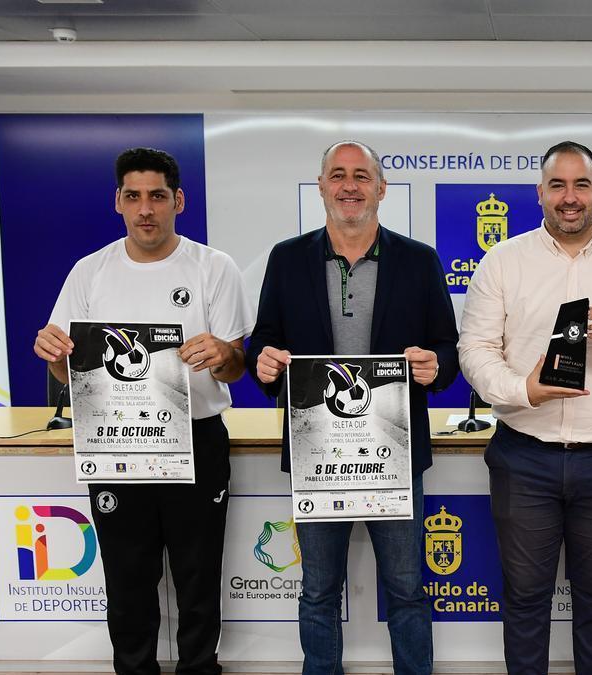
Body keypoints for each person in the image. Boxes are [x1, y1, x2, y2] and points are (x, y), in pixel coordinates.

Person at [458, 140, 592, 674]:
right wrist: (523, 390)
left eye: (581, 185)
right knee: (526, 599)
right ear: (540, 194)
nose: (570, 197)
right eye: (558, 185)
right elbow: (475, 351)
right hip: (523, 456)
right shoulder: (503, 261)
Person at [33, 147, 251, 675]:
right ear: (118, 202)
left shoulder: (213, 267)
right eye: (134, 196)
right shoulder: (90, 272)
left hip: (197, 441)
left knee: (199, 576)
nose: (145, 209)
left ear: (178, 200)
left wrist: (223, 355)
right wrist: (55, 358)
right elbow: (69, 372)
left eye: (157, 196)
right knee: (127, 578)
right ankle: (134, 669)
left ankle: (199, 668)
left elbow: (237, 365)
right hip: (117, 444)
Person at [246, 140, 458, 675]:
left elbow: (448, 349)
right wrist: (264, 363)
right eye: (337, 175)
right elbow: (262, 342)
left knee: (408, 588)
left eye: (361, 176)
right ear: (320, 187)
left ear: (382, 189)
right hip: (318, 454)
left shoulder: (419, 260)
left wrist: (437, 366)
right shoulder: (287, 258)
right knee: (317, 590)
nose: (349, 186)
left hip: (395, 453)